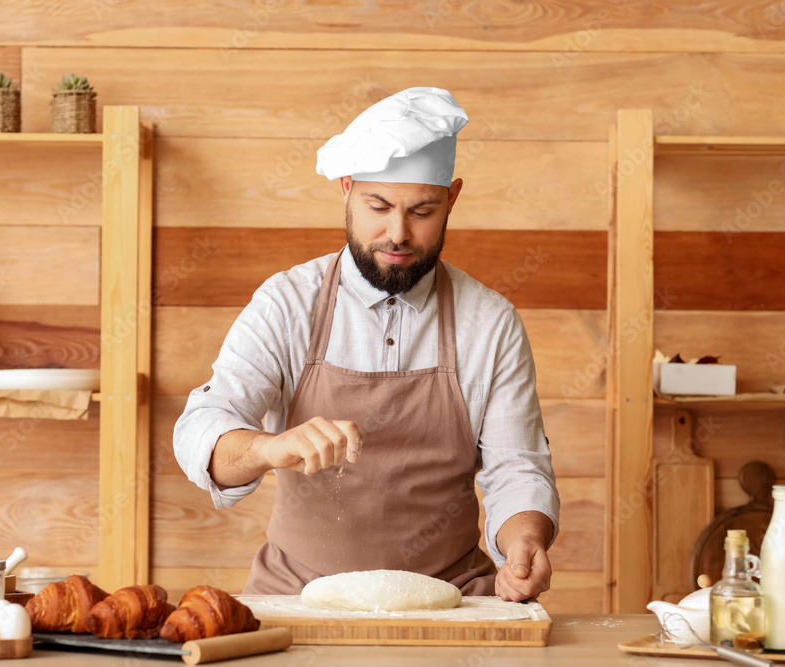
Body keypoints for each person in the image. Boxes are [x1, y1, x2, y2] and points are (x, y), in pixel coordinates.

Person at [173, 87, 559, 601]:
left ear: (453, 199)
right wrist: (269, 447)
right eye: (378, 206)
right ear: (347, 190)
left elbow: (517, 467)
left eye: (422, 211)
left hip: (452, 597)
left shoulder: (490, 322)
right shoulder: (288, 303)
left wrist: (524, 542)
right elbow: (203, 427)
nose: (397, 234)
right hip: (297, 594)